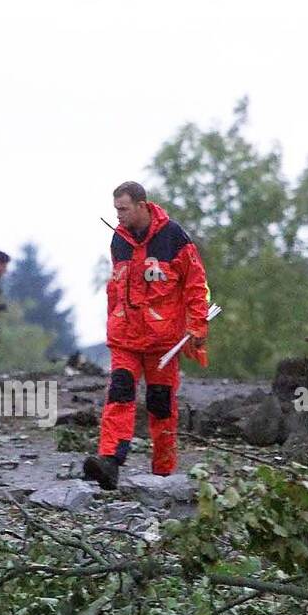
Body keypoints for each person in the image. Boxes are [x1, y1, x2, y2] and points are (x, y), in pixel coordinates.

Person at [83, 182, 211, 490]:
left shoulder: (175, 238)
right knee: (120, 392)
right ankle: (110, 461)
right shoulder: (119, 240)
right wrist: (113, 319)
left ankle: (163, 472)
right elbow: (116, 285)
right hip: (125, 337)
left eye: (123, 209)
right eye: (116, 210)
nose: (118, 216)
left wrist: (198, 326)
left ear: (142, 205)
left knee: (160, 404)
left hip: (163, 341)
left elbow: (195, 285)